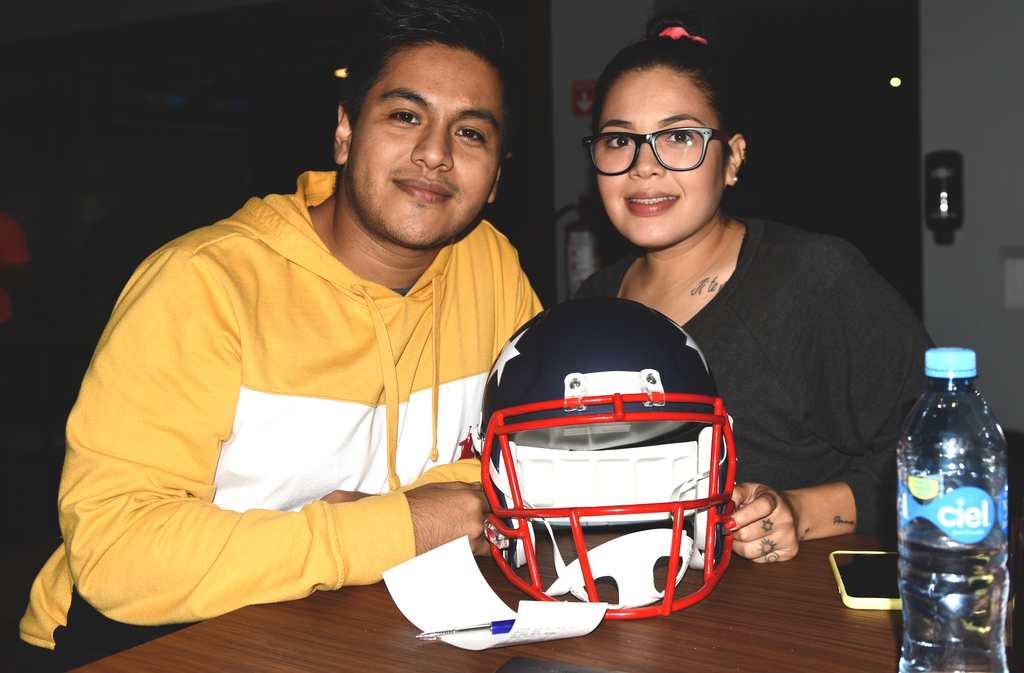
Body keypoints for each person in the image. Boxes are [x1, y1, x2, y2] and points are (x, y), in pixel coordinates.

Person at [18, 1, 542, 669]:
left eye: (470, 133)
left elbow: (537, 456)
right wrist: (397, 525)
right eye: (405, 116)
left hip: (351, 623)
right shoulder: (204, 284)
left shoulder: (489, 266)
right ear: (345, 133)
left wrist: (406, 516)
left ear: (496, 176)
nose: (434, 153)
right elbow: (117, 554)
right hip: (133, 639)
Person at [574, 11, 932, 563]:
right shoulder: (589, 305)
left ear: (733, 157)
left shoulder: (813, 280)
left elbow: (944, 455)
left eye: (679, 136)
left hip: (782, 609)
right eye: (620, 140)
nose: (644, 166)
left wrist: (801, 511)